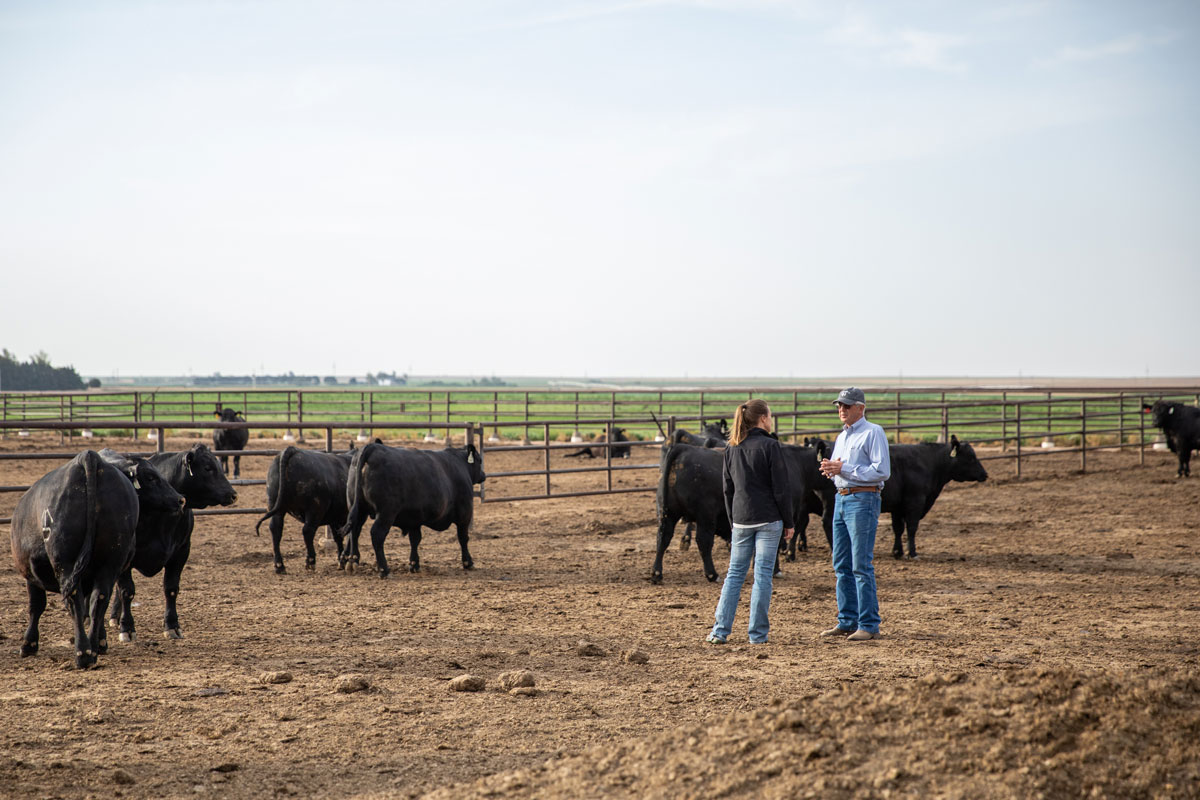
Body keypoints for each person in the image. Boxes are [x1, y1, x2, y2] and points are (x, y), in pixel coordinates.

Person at [706, 399, 795, 645]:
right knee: (763, 576)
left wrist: (734, 520)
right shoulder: (771, 446)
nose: (771, 419)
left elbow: (728, 489)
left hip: (742, 519)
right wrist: (789, 521)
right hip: (768, 519)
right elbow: (781, 489)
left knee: (734, 575)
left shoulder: (732, 448)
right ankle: (757, 635)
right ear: (763, 419)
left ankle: (719, 631)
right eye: (770, 415)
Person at [818, 388, 891, 642]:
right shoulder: (842, 437)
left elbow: (882, 470)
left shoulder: (873, 432)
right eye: (839, 405)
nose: (842, 409)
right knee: (841, 563)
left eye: (847, 406)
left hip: (863, 498)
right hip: (842, 497)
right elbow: (846, 469)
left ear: (861, 408)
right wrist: (833, 471)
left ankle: (869, 624)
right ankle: (848, 620)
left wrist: (843, 468)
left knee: (860, 564)